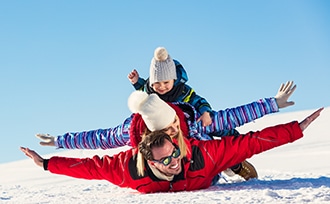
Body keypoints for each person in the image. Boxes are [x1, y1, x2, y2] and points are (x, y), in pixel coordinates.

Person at [21, 107, 323, 193]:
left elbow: (253, 141)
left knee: (231, 147)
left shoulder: (197, 152)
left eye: (175, 153)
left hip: (209, 171)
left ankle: (232, 167)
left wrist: (296, 128)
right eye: (165, 160)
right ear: (148, 158)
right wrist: (47, 163)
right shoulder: (128, 169)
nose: (174, 161)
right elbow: (91, 165)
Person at [36, 82, 296, 181]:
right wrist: (60, 141)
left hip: (203, 155)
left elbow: (234, 114)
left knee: (225, 131)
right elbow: (97, 138)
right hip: (168, 164)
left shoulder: (190, 118)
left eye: (174, 123)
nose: (175, 129)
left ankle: (233, 165)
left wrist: (273, 104)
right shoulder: (131, 132)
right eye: (168, 129)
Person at [128, 47, 213, 127]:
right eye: (157, 82)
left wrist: (205, 112)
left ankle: (225, 131)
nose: (162, 86)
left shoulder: (183, 92)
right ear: (151, 82)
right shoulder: (149, 92)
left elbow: (199, 101)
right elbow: (142, 91)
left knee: (211, 125)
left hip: (185, 124)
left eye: (166, 82)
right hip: (165, 128)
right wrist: (136, 81)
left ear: (174, 80)